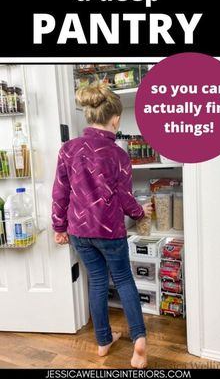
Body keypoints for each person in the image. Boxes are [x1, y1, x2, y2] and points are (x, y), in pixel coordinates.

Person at [51, 82, 153, 368]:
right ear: (116, 118)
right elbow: (125, 197)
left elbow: (60, 192)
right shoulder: (118, 155)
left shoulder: (68, 149)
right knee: (123, 280)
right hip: (109, 232)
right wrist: (139, 212)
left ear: (88, 114)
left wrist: (59, 227)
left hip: (79, 232)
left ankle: (103, 341)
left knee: (96, 281)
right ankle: (139, 341)